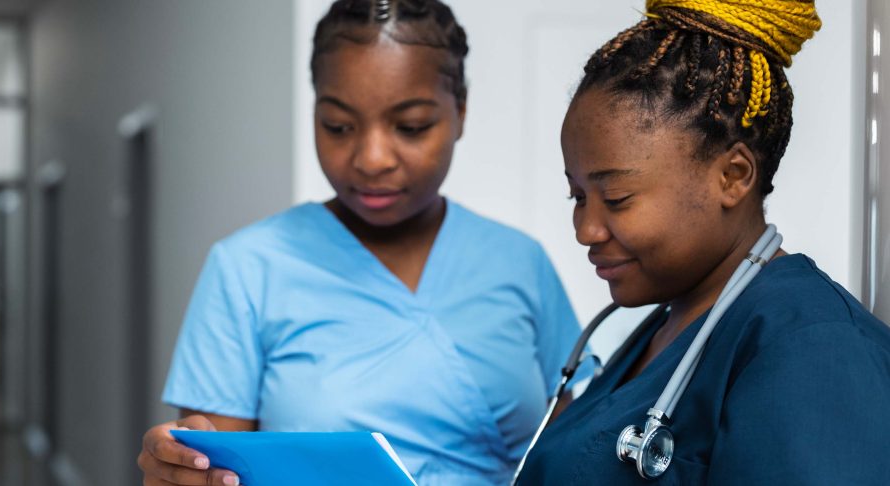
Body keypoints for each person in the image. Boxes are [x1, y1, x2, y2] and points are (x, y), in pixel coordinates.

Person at [137, 1, 588, 485]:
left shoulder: (520, 263)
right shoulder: (247, 268)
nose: (372, 159)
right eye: (339, 126)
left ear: (460, 108)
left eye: (410, 126)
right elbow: (220, 470)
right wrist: (182, 472)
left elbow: (571, 459)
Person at [517, 0, 890, 484]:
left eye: (617, 197)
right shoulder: (667, 328)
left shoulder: (817, 349)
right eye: (579, 196)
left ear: (733, 176)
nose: (585, 229)